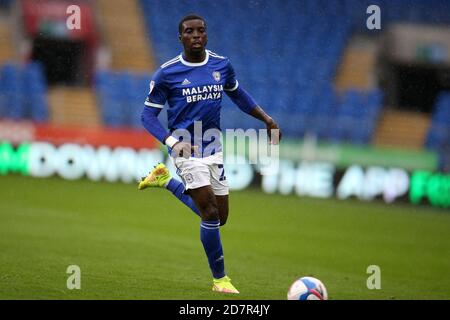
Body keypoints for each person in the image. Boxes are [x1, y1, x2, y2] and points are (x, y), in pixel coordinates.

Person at [139, 14, 281, 294]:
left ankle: (166, 181)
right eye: (189, 32)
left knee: (220, 217)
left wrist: (266, 119)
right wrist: (171, 141)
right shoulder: (167, 73)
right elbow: (147, 116)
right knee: (210, 212)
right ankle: (220, 280)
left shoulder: (221, 65)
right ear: (180, 38)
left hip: (213, 147)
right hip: (185, 148)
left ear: (206, 35)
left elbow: (238, 95)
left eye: (200, 31)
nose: (196, 35)